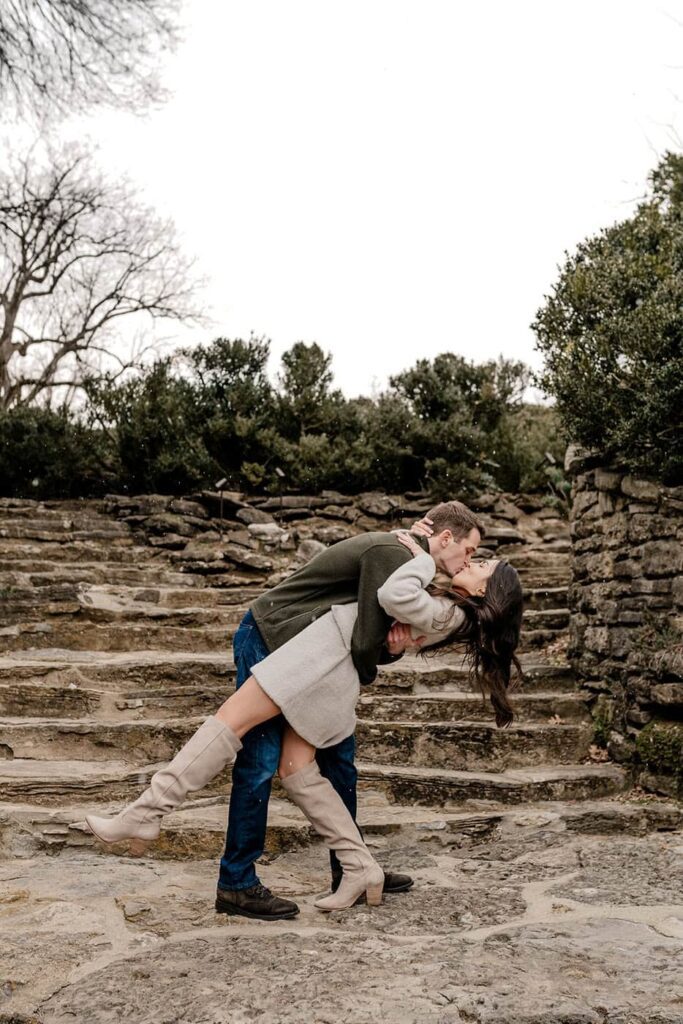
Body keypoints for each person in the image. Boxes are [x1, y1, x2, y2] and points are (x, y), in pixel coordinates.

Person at [84, 505, 524, 914]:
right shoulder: (424, 578)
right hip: (301, 645)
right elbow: (381, 627)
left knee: (244, 731)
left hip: (320, 655)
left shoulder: (421, 572)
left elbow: (384, 610)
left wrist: (420, 555)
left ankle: (148, 816)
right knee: (291, 765)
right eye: (470, 552)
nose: (470, 561)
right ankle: (345, 867)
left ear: (487, 589)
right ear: (446, 536)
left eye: (478, 562)